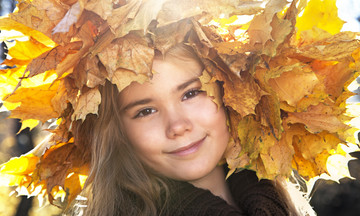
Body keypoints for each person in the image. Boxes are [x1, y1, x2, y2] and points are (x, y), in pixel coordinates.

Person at [73, 43, 299, 216]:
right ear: (118, 134)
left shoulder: (278, 200)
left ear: (231, 92)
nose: (178, 126)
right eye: (146, 111)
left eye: (190, 94)